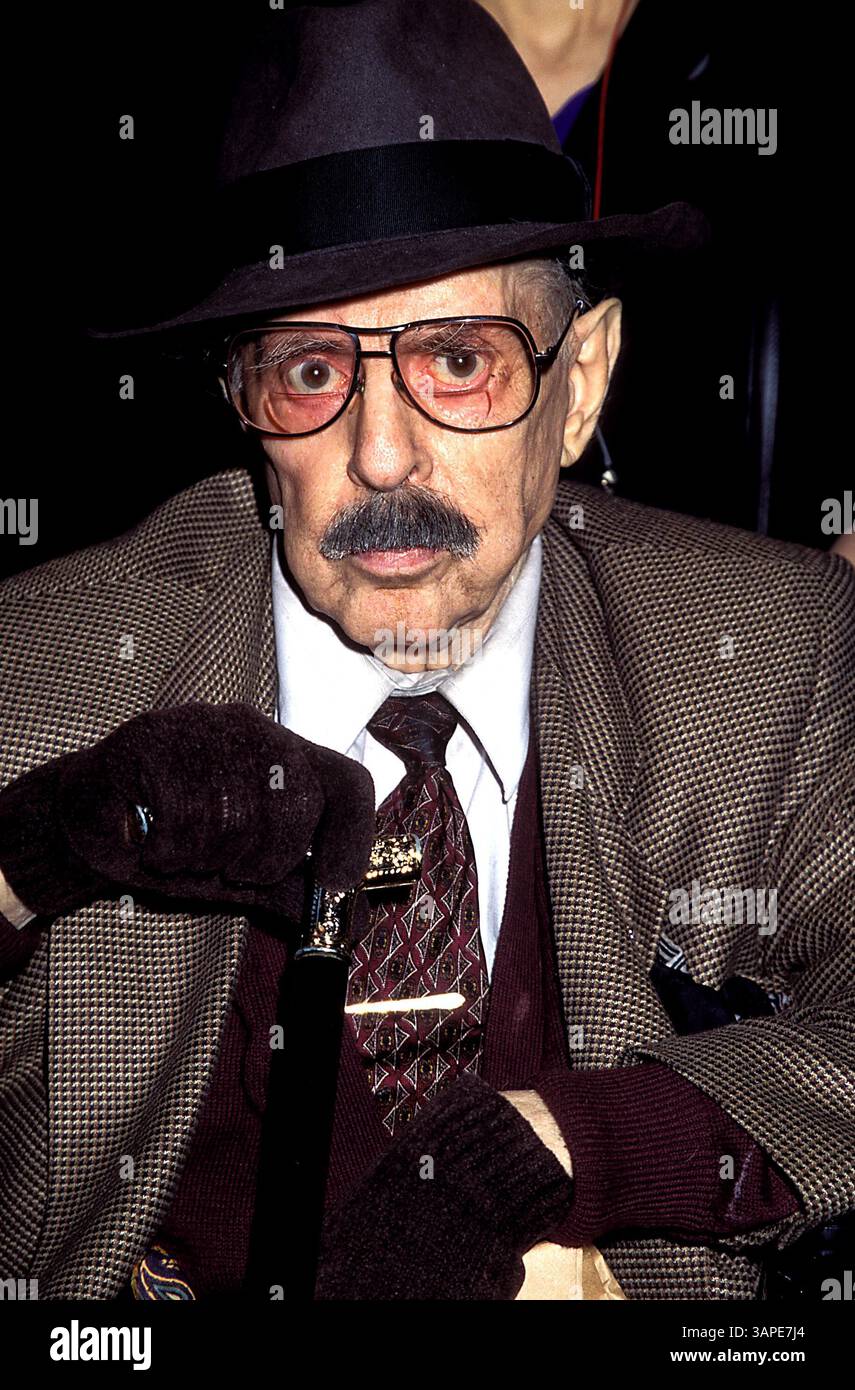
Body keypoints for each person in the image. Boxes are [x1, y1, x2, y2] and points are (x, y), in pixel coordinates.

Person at [0, 0, 852, 1303]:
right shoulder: (47, 667)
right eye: (309, 372)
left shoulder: (765, 652)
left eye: (459, 361)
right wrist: (26, 859)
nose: (383, 456)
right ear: (242, 405)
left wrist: (571, 1148)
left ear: (582, 383)